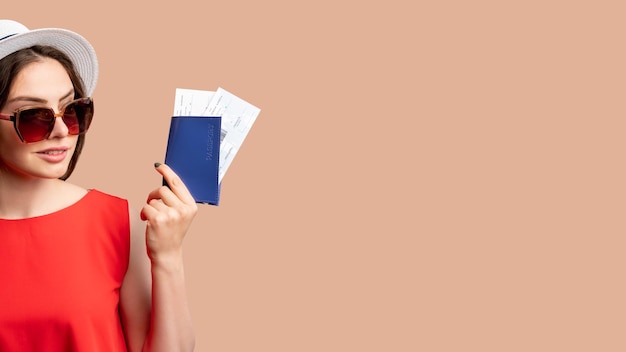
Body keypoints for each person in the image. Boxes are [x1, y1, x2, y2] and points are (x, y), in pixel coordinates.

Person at [0, 19, 197, 351]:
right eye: (34, 116)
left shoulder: (116, 220)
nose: (62, 131)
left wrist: (168, 256)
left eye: (72, 109)